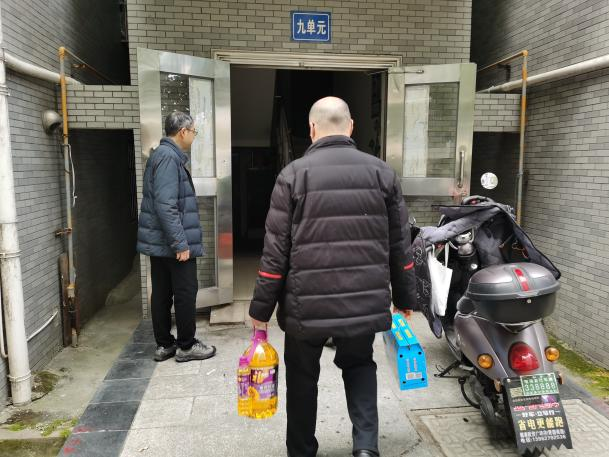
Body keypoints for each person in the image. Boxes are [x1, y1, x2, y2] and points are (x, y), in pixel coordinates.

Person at [249, 97, 416, 457]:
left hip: (305, 305)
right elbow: (400, 245)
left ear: (312, 129)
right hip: (362, 300)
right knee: (360, 365)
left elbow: (275, 252)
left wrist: (260, 309)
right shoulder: (382, 173)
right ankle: (366, 448)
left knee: (302, 377)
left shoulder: (292, 175)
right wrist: (405, 298)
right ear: (351, 126)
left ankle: (302, 450)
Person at [137, 111, 216, 363]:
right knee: (185, 293)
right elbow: (166, 205)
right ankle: (186, 346)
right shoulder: (169, 158)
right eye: (194, 131)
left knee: (161, 293)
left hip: (160, 242)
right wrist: (180, 243)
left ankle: (164, 345)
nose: (194, 136)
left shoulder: (162, 155)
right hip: (173, 244)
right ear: (183, 132)